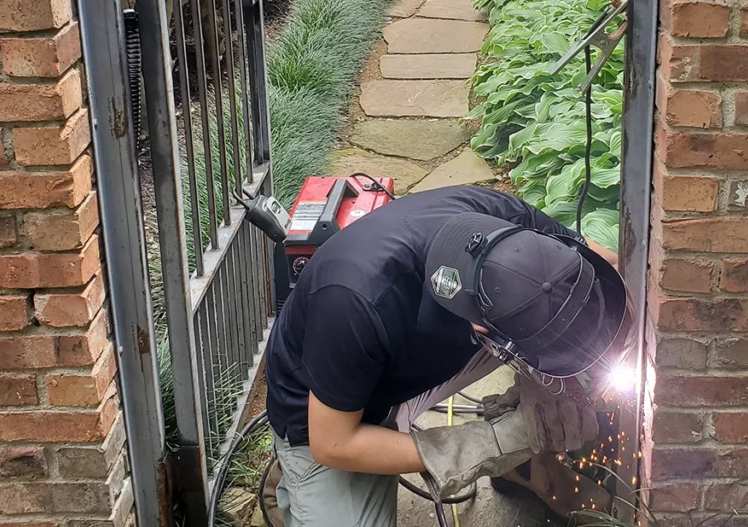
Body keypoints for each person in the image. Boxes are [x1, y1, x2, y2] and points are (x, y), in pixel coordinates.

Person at [262, 184, 633, 527]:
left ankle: (531, 471)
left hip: (419, 356)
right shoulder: (353, 304)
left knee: (566, 361)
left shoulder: (509, 225)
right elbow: (334, 444)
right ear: (483, 331)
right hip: (337, 418)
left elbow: (604, 265)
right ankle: (298, 473)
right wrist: (494, 441)